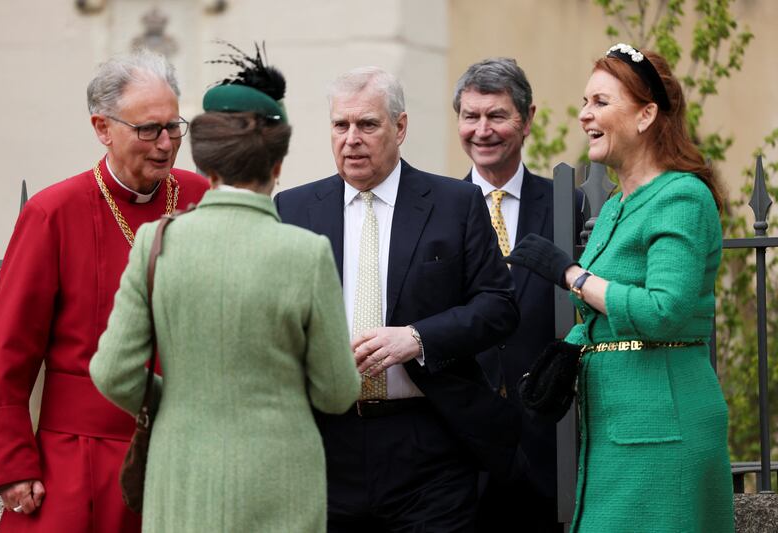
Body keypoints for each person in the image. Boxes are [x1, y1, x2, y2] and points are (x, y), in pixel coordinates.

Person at [90, 48, 361, 532]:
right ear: (277, 164)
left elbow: (112, 372)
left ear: (205, 165)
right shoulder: (307, 252)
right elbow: (337, 392)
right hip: (282, 478)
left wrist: (177, 396)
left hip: (182, 476)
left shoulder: (157, 241)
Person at [274, 66, 520, 532]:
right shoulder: (294, 210)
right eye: (340, 125)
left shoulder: (456, 203)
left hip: (429, 441)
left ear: (400, 127)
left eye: (367, 125)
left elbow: (499, 306)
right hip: (328, 443)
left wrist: (418, 338)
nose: (352, 139)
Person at [0, 50, 209, 532]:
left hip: (186, 453)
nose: (165, 144)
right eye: (148, 129)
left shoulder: (200, 198)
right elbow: (7, 351)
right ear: (102, 128)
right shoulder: (52, 213)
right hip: (80, 458)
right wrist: (13, 463)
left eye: (173, 127)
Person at [509, 43, 733, 532]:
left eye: (601, 102)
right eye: (585, 102)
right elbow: (603, 318)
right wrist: (561, 357)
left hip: (663, 436)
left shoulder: (681, 196)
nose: (585, 115)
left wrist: (571, 275)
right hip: (614, 430)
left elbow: (663, 312)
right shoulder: (613, 205)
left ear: (647, 114)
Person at [454, 57, 583, 532]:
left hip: (551, 442)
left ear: (527, 120)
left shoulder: (572, 205)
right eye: (471, 116)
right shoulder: (437, 208)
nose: (482, 130)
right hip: (464, 452)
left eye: (497, 116)